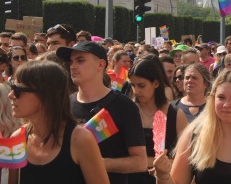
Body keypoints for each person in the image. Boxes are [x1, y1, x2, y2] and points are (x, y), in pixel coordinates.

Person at [153, 69, 231, 183]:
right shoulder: (193, 133)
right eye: (221, 97)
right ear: (213, 99)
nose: (226, 104)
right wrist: (163, 175)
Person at [56, 41, 147, 183]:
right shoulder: (63, 104)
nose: (72, 66)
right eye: (71, 61)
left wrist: (94, 163)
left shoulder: (124, 106)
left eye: (80, 60)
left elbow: (140, 162)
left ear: (100, 65)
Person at [7, 60, 109, 184]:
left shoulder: (80, 139)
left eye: (18, 89)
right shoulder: (17, 138)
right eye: (11, 87)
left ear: (45, 94)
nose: (11, 95)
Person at [128, 55, 188, 183]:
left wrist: (165, 165)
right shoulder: (128, 111)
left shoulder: (176, 115)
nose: (136, 91)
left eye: (141, 85)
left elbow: (185, 159)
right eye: (133, 85)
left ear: (155, 83)